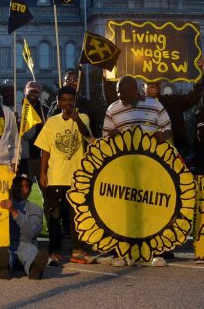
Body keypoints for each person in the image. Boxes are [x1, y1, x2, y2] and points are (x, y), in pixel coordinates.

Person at [103, 76, 171, 267]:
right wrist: (112, 136)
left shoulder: (154, 104)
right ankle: (123, 253)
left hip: (151, 167)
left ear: (135, 90)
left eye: (123, 92)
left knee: (154, 209)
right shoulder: (113, 109)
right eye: (118, 92)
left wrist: (163, 135)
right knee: (125, 212)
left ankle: (157, 253)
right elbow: (104, 137)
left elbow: (168, 128)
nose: (119, 95)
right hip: (124, 169)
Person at [36, 86, 95, 267]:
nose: (68, 103)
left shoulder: (82, 117)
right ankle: (55, 250)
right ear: (59, 102)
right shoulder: (52, 122)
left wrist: (77, 121)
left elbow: (89, 138)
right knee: (54, 216)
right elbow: (45, 150)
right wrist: (42, 172)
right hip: (56, 177)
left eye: (71, 100)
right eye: (64, 100)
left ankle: (78, 249)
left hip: (77, 177)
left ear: (74, 102)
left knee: (76, 215)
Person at [0, 174, 47, 280]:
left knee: (32, 253)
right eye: (19, 185)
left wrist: (14, 212)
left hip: (26, 244)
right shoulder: (1, 204)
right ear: (12, 186)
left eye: (25, 186)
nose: (21, 189)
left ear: (30, 190)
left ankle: (34, 269)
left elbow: (32, 232)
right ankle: (3, 269)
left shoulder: (35, 208)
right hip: (6, 245)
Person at [16, 81, 46, 182]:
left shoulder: (45, 110)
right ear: (25, 91)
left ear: (40, 93)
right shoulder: (18, 109)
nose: (33, 94)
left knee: (45, 188)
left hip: (41, 157)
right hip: (24, 157)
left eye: (36, 92)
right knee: (23, 189)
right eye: (30, 91)